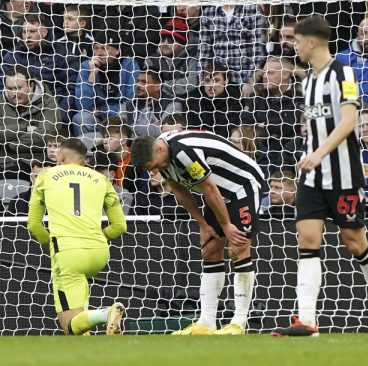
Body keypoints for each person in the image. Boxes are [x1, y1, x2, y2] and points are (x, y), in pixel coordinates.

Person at [272, 15, 368, 337]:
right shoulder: (306, 80)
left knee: (355, 242)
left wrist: (320, 153)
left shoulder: (344, 73)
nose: (294, 46)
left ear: (312, 41)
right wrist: (308, 152)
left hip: (342, 175)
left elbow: (348, 121)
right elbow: (316, 128)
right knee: (307, 240)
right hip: (313, 176)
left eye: (297, 40)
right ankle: (307, 321)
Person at [131, 129, 266, 335]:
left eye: (155, 166)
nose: (156, 170)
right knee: (210, 250)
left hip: (242, 186)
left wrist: (227, 225)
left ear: (158, 149)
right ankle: (206, 322)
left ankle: (239, 321)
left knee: (238, 247)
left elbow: (209, 188)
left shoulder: (184, 152)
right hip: (220, 193)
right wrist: (203, 224)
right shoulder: (163, 157)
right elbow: (179, 191)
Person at [26, 138, 127, 335]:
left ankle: (105, 314)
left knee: (68, 325)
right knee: (79, 312)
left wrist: (48, 244)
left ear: (61, 156)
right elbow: (120, 226)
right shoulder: (101, 179)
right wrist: (99, 236)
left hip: (68, 254)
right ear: (83, 161)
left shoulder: (46, 176)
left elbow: (34, 225)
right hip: (99, 253)